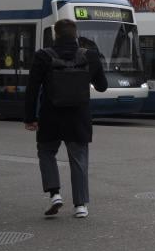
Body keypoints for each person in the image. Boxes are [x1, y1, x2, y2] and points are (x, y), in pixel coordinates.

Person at [22, 18, 108, 219]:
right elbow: (102, 86)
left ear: (55, 35)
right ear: (75, 35)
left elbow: (32, 90)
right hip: (79, 117)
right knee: (79, 160)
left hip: (50, 115)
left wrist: (30, 118)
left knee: (46, 152)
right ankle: (80, 206)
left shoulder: (43, 56)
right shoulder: (90, 56)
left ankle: (55, 194)